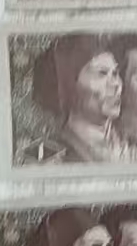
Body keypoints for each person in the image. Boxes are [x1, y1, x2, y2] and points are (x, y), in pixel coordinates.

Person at [26, 35, 125, 164]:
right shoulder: (48, 159)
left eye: (115, 73)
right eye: (101, 73)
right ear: (68, 85)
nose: (116, 84)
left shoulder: (134, 145)